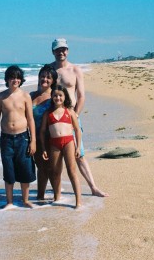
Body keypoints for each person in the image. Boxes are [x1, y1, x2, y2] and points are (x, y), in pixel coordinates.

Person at [50, 38, 108, 197]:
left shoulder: (75, 70)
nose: (61, 52)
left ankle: (93, 188)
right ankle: (57, 187)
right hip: (53, 118)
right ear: (53, 51)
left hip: (71, 116)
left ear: (67, 51)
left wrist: (74, 115)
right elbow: (42, 94)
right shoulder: (48, 70)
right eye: (57, 49)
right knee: (56, 155)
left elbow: (81, 96)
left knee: (79, 154)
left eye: (64, 49)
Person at [0, 65, 37, 209]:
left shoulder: (25, 96)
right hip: (6, 139)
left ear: (21, 79)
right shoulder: (1, 97)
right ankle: (9, 202)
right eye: (12, 77)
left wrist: (33, 140)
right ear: (7, 79)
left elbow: (30, 119)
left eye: (17, 77)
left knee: (25, 170)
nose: (15, 80)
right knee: (9, 171)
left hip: (23, 138)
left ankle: (25, 200)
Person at [40, 85, 82, 209]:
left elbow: (77, 130)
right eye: (55, 95)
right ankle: (57, 197)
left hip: (68, 142)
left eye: (60, 95)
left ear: (64, 97)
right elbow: (42, 131)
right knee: (55, 172)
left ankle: (78, 201)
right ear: (51, 97)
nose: (57, 97)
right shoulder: (48, 113)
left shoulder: (70, 111)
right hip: (54, 144)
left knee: (72, 171)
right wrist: (43, 148)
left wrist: (78, 147)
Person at [30, 64, 58, 200]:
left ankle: (57, 197)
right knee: (41, 167)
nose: (44, 79)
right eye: (42, 76)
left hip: (51, 138)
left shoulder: (54, 97)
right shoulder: (30, 96)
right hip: (35, 138)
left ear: (53, 81)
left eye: (48, 77)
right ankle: (40, 196)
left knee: (52, 169)